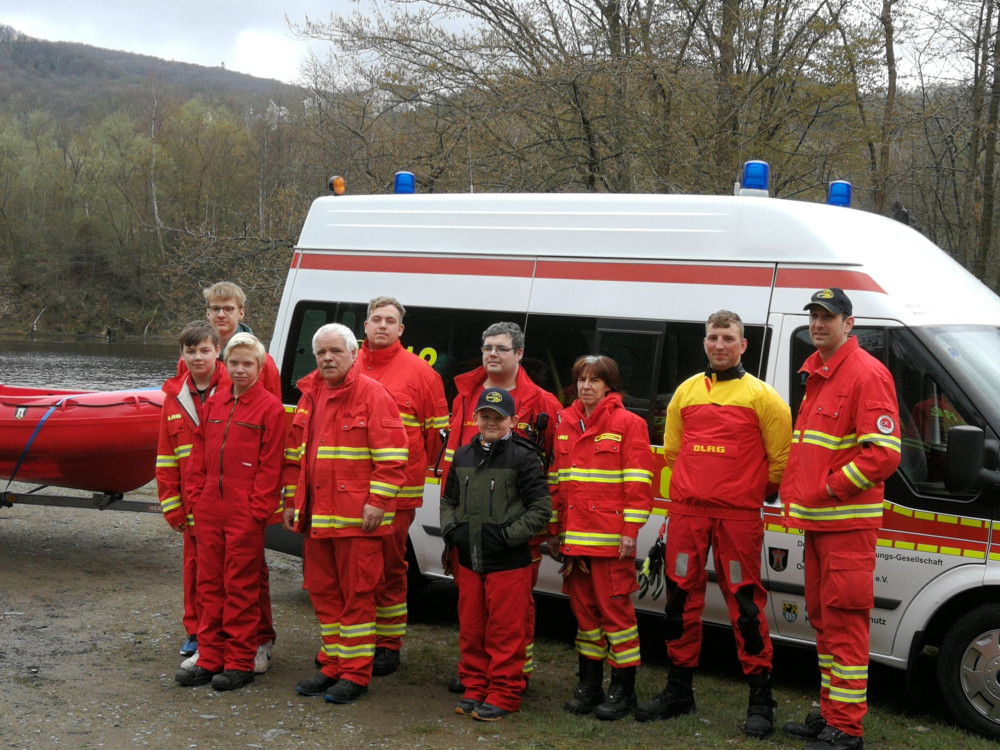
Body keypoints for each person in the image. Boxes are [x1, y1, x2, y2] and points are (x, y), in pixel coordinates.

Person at [634, 311, 791, 737]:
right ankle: (679, 691)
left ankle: (761, 699)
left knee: (744, 605)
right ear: (705, 343)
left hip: (738, 518)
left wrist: (740, 494)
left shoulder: (765, 398)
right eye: (712, 337)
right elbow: (672, 452)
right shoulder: (685, 392)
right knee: (679, 602)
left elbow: (779, 463)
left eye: (728, 338)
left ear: (744, 345)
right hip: (687, 514)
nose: (719, 345)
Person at [779, 289, 901, 750]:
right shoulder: (820, 373)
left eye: (828, 317)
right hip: (819, 525)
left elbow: (884, 454)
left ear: (849, 324)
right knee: (824, 621)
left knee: (845, 625)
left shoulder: (866, 373)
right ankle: (831, 712)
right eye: (813, 315)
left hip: (846, 526)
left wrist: (830, 487)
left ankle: (846, 730)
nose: (818, 324)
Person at [284, 323, 408, 704]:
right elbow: (295, 459)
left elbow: (393, 458)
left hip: (358, 521)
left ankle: (355, 674)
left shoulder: (373, 394)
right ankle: (332, 665)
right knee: (324, 594)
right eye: (321, 352)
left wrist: (378, 501)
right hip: (319, 519)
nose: (327, 358)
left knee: (356, 596)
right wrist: (291, 501)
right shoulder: (310, 394)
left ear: (354, 353)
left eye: (335, 351)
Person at [443, 321, 561, 690]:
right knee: (472, 609)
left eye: (501, 348)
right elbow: (455, 462)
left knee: (514, 611)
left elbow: (555, 471)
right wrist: (453, 529)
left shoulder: (542, 402)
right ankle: (477, 675)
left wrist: (547, 529)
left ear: (519, 354)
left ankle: (513, 676)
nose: (492, 354)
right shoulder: (465, 395)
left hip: (515, 534)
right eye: (487, 347)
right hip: (470, 529)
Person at [175, 280, 283, 673]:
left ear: (241, 313)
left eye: (228, 308)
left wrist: (259, 506)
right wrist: (196, 497)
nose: (221, 314)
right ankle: (209, 649)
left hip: (243, 503)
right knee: (207, 579)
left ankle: (250, 648)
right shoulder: (205, 376)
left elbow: (270, 451)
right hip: (209, 501)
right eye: (214, 308)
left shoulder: (263, 380)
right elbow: (195, 444)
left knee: (246, 581)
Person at [547, 355, 654, 721]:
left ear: (610, 385)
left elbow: (639, 484)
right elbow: (556, 483)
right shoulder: (564, 421)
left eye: (595, 379)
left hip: (611, 542)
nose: (586, 386)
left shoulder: (630, 424)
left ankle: (623, 689)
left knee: (617, 618)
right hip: (574, 542)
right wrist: (553, 530)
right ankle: (589, 685)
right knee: (585, 616)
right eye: (581, 379)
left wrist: (630, 533)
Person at [441, 387, 551, 721]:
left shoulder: (523, 457)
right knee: (472, 629)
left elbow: (541, 508)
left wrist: (507, 537)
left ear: (513, 421)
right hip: (470, 561)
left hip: (508, 563)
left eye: (498, 418)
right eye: (485, 416)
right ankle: (475, 688)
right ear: (475, 419)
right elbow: (448, 502)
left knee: (506, 632)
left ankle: (505, 693)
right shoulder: (462, 455)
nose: (490, 422)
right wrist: (451, 531)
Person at [355, 297, 449, 677]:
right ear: (365, 325)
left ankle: (388, 645)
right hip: (345, 492)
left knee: (389, 570)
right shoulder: (347, 363)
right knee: (350, 571)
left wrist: (407, 476)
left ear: (401, 330)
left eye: (389, 321)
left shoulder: (421, 373)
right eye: (375, 319)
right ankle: (353, 643)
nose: (382, 325)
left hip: (396, 494)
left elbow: (435, 438)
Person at [155, 321, 229, 664]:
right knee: (195, 572)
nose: (198, 357)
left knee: (235, 571)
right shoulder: (174, 398)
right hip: (192, 506)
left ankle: (233, 633)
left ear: (217, 351)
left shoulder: (235, 389)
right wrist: (172, 507)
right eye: (191, 351)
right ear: (182, 354)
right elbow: (166, 458)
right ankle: (197, 631)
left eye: (205, 350)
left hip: (227, 503)